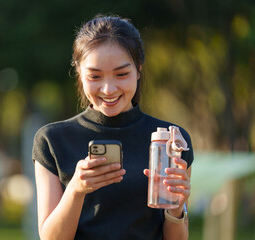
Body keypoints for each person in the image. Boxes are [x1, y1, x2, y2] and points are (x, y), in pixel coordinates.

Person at [32, 14, 193, 240]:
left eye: (121, 74)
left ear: (138, 69)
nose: (108, 89)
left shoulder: (170, 140)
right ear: (79, 72)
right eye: (95, 76)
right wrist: (76, 190)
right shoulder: (52, 140)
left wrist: (176, 209)